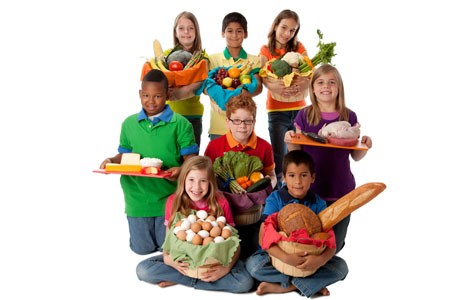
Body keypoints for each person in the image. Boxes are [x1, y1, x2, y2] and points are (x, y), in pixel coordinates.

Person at [99, 69, 198, 255]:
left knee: (167, 250)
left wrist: (181, 169)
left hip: (168, 199)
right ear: (139, 94)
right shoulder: (129, 124)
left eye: (157, 96)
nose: (151, 101)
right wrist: (111, 160)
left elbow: (191, 161)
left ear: (167, 95)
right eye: (146, 95)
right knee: (141, 250)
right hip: (137, 199)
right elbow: (125, 155)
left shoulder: (180, 124)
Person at [284, 64, 373, 253]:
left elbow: (356, 156)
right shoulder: (304, 115)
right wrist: (290, 140)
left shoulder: (349, 116)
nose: (326, 86)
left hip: (340, 190)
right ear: (313, 88)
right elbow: (296, 154)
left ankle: (317, 280)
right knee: (308, 244)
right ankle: (308, 281)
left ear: (339, 87)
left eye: (332, 82)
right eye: (321, 82)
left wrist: (365, 145)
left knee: (335, 245)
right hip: (309, 190)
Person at [136, 156, 254, 293]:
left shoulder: (220, 203)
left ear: (210, 182)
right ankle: (200, 279)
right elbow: (168, 239)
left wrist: (225, 269)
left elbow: (233, 242)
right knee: (143, 270)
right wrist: (169, 260)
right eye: (191, 180)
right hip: (184, 259)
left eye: (203, 181)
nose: (196, 187)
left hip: (214, 259)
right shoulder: (173, 202)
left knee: (244, 283)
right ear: (183, 180)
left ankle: (184, 279)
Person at [245, 150, 348, 297]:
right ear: (284, 178)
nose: (298, 182)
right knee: (254, 266)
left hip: (309, 259)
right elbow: (263, 238)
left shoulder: (319, 204)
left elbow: (331, 243)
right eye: (292, 176)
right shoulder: (275, 199)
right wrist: (286, 258)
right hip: (278, 257)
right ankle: (309, 284)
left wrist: (318, 261)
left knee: (341, 267)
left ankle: (285, 286)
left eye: (304, 175)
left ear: (313, 177)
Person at [204, 94, 276, 259]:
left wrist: (266, 188)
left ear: (254, 122)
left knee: (252, 251)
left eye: (247, 121)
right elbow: (207, 178)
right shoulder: (214, 146)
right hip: (223, 214)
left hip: (254, 211)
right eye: (236, 120)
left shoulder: (264, 147)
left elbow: (271, 176)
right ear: (227, 121)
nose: (242, 126)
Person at [259, 9, 310, 188]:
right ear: (275, 26)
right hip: (276, 111)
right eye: (284, 27)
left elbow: (309, 70)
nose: (287, 33)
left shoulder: (299, 48)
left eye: (292, 30)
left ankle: (299, 195)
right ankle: (280, 198)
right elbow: (262, 75)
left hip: (300, 111)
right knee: (279, 158)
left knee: (299, 158)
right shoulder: (266, 50)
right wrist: (271, 85)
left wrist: (304, 84)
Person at [206, 11, 263, 140]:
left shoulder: (254, 60)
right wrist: (238, 94)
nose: (234, 35)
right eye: (229, 31)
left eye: (239, 31)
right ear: (223, 33)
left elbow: (258, 87)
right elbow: (207, 87)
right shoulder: (213, 59)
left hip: (244, 127)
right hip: (218, 126)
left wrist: (230, 94)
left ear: (246, 34)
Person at [165, 11, 208, 147]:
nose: (186, 32)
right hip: (169, 116)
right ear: (175, 32)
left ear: (196, 31)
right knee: (170, 160)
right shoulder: (166, 56)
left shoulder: (202, 57)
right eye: (181, 28)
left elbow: (200, 82)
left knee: (191, 163)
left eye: (191, 28)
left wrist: (179, 94)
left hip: (192, 116)